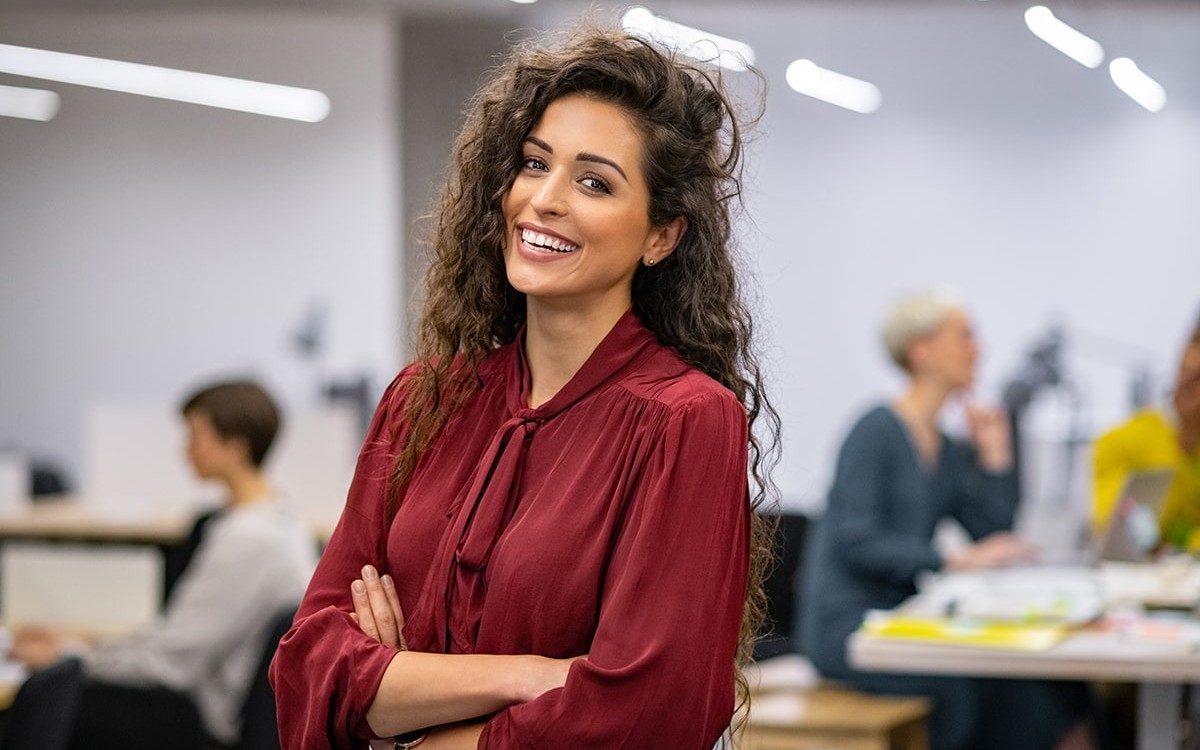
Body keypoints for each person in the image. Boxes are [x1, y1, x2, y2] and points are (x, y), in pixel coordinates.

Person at [268, 25, 778, 750]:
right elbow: (307, 668)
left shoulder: (685, 420)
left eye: (594, 181)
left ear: (661, 236)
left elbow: (650, 713)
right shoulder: (421, 401)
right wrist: (530, 676)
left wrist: (406, 710)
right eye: (534, 164)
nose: (544, 199)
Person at [798, 292, 1100, 750]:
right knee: (977, 691)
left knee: (1062, 686)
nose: (977, 349)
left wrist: (997, 456)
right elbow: (855, 539)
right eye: (964, 336)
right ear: (921, 350)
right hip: (849, 629)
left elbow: (992, 530)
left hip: (903, 623)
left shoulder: (945, 445)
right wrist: (952, 561)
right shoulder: (875, 430)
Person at [6, 379, 318, 750]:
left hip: (206, 718)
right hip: (224, 703)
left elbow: (170, 663)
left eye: (195, 437)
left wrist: (68, 657)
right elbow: (179, 641)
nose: (185, 451)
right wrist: (86, 644)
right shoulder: (284, 519)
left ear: (234, 447)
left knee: (47, 699)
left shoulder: (247, 538)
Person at [1093, 310, 1200, 550]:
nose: (1195, 361)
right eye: (1195, 341)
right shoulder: (1119, 441)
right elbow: (1120, 537)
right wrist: (1185, 439)